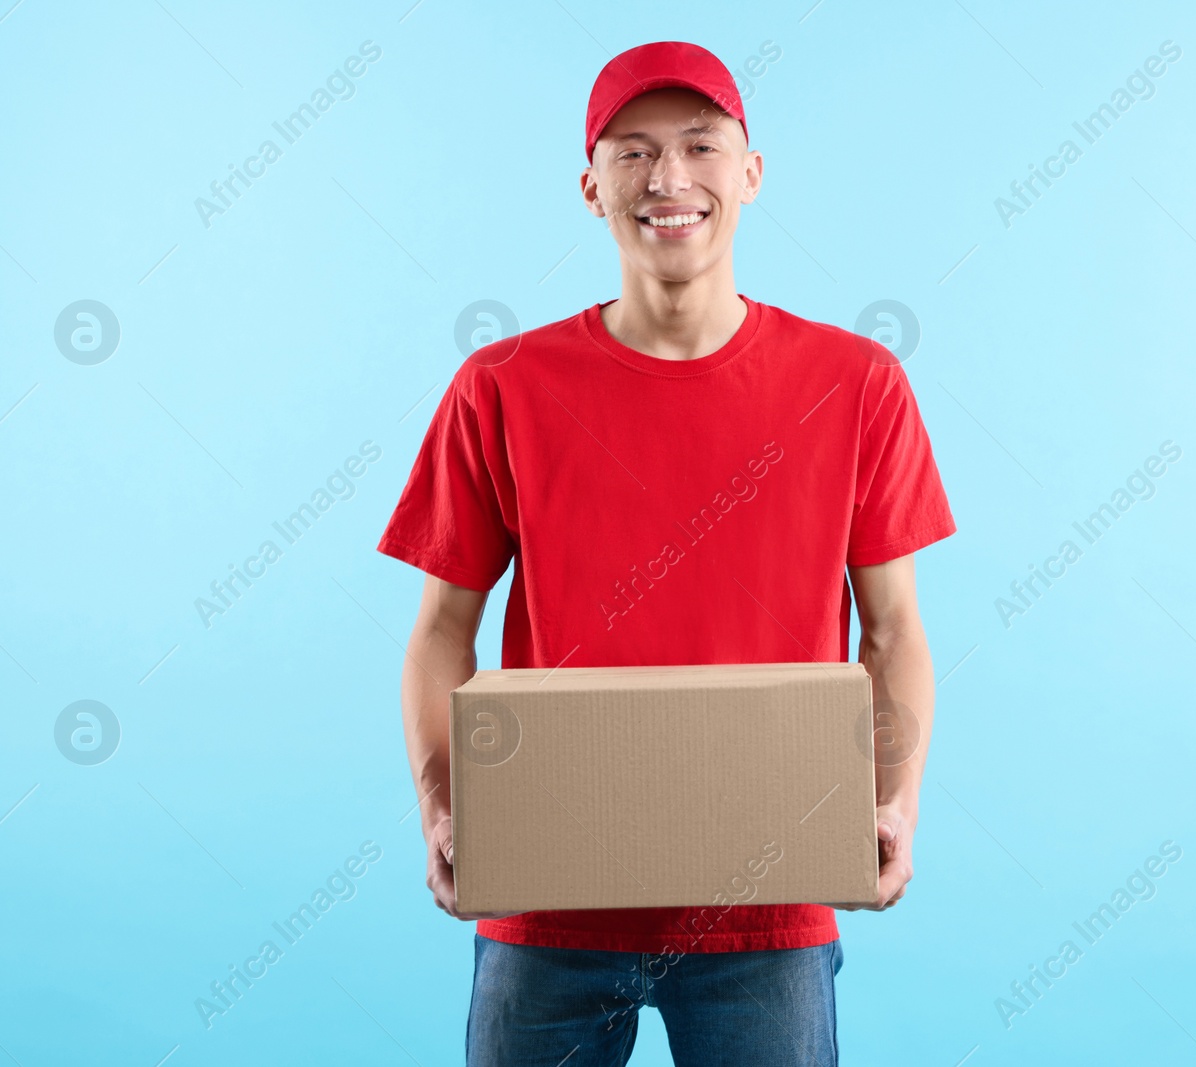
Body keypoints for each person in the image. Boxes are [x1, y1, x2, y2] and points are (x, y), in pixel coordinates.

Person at [376, 39, 956, 1067]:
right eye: (635, 153)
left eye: (699, 145)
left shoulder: (855, 382)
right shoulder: (501, 387)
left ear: (750, 171)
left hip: (764, 911)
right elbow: (439, 631)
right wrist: (443, 806)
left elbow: (897, 628)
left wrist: (894, 797)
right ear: (591, 185)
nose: (669, 180)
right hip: (548, 899)